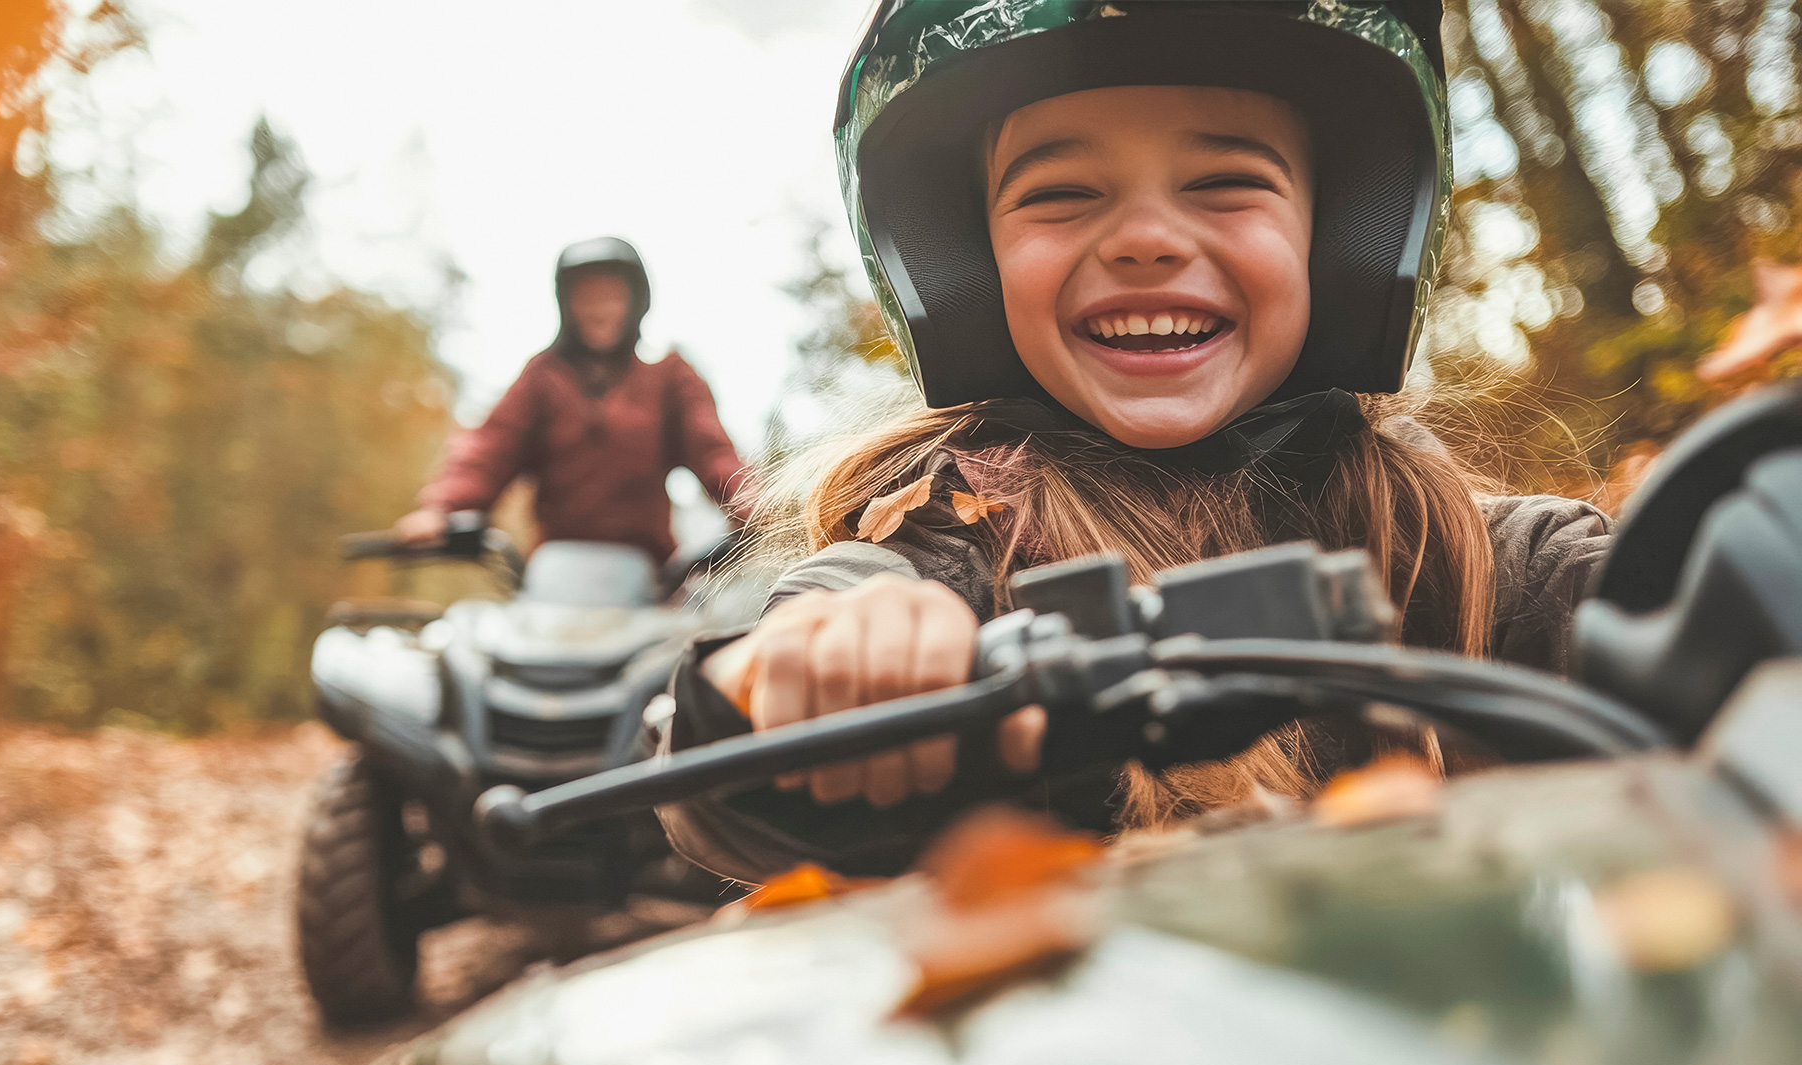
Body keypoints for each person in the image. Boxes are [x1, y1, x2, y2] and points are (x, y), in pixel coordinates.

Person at [657, 0, 1619, 882]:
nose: (1146, 237)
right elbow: (736, 765)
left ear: (1337, 240)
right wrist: (797, 665)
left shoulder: (1468, 552)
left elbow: (1641, 610)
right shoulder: (940, 546)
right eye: (1061, 193)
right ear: (968, 267)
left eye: (1226, 182)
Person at [394, 237, 751, 566]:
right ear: (567, 304)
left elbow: (715, 454)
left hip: (650, 576)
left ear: (636, 302)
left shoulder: (671, 378)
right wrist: (443, 509)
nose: (599, 310)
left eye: (612, 297)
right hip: (553, 573)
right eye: (587, 298)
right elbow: (489, 449)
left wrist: (756, 507)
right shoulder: (543, 378)